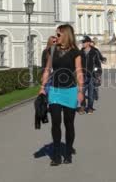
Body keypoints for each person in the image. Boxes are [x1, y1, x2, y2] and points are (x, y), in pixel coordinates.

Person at [39, 24, 84, 166]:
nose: (55, 37)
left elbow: (79, 72)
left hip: (70, 91)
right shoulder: (51, 51)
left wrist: (81, 91)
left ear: (65, 35)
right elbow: (47, 69)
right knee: (56, 122)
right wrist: (42, 87)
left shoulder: (75, 52)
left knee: (69, 123)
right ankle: (57, 155)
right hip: (55, 91)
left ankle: (68, 151)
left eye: (58, 35)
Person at [79, 36, 103, 114]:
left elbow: (98, 64)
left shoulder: (94, 52)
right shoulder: (81, 52)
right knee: (82, 92)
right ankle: (82, 107)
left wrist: (98, 74)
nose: (83, 43)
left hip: (92, 76)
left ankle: (90, 108)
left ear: (89, 43)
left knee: (91, 93)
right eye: (82, 42)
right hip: (83, 75)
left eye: (84, 42)